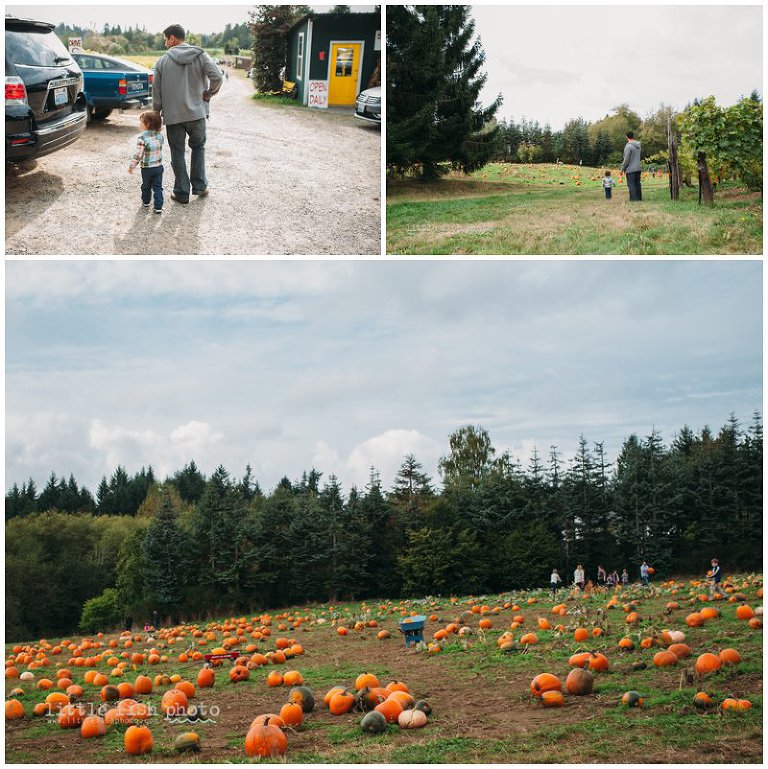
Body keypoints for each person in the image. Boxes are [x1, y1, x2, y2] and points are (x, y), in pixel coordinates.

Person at [153, 24, 222, 204]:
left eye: (165, 39)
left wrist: (156, 114)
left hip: (173, 117)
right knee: (198, 148)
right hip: (197, 114)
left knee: (177, 152)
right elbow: (218, 77)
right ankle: (200, 187)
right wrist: (209, 93)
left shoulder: (162, 62)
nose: (165, 43)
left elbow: (157, 93)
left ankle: (182, 192)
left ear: (173, 38)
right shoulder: (201, 55)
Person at [128, 110, 164, 213]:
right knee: (158, 187)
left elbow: (138, 155)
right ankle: (158, 207)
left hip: (147, 169)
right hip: (158, 167)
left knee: (146, 186)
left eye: (141, 122)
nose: (140, 124)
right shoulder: (160, 136)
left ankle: (146, 202)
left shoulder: (142, 139)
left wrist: (132, 166)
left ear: (147, 124)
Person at [621, 131, 643, 201]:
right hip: (638, 168)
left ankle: (634, 199)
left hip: (631, 169)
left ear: (627, 137)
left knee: (631, 184)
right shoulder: (638, 145)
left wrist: (622, 169)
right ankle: (639, 198)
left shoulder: (628, 146)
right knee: (637, 183)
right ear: (633, 136)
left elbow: (626, 160)